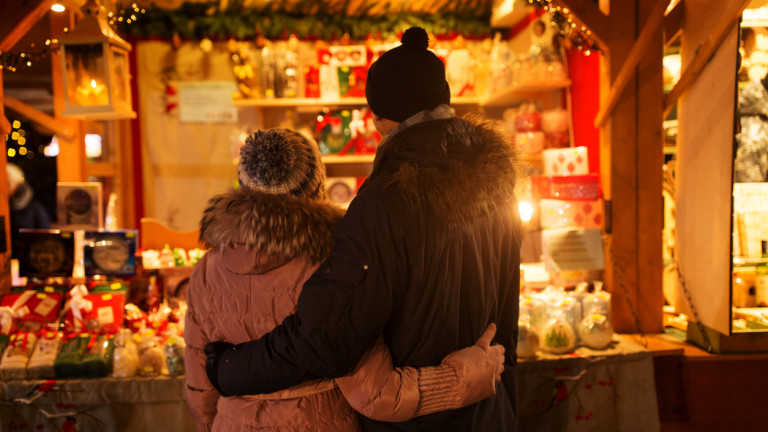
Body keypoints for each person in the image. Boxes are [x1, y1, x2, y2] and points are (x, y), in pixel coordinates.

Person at [205, 26, 523, 431]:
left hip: (415, 423)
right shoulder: (498, 179)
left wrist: (229, 368)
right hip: (488, 416)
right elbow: (506, 328)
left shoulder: (386, 200)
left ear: (380, 119)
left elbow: (327, 340)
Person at [185, 128, 506, 432]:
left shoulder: (205, 270)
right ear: (317, 188)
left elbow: (200, 388)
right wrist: (466, 376)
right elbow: (378, 395)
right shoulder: (333, 268)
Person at [6, 162, 51, 254]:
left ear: (16, 182)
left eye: (8, 183)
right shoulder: (4, 205)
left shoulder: (33, 206)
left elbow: (45, 232)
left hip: (29, 256)